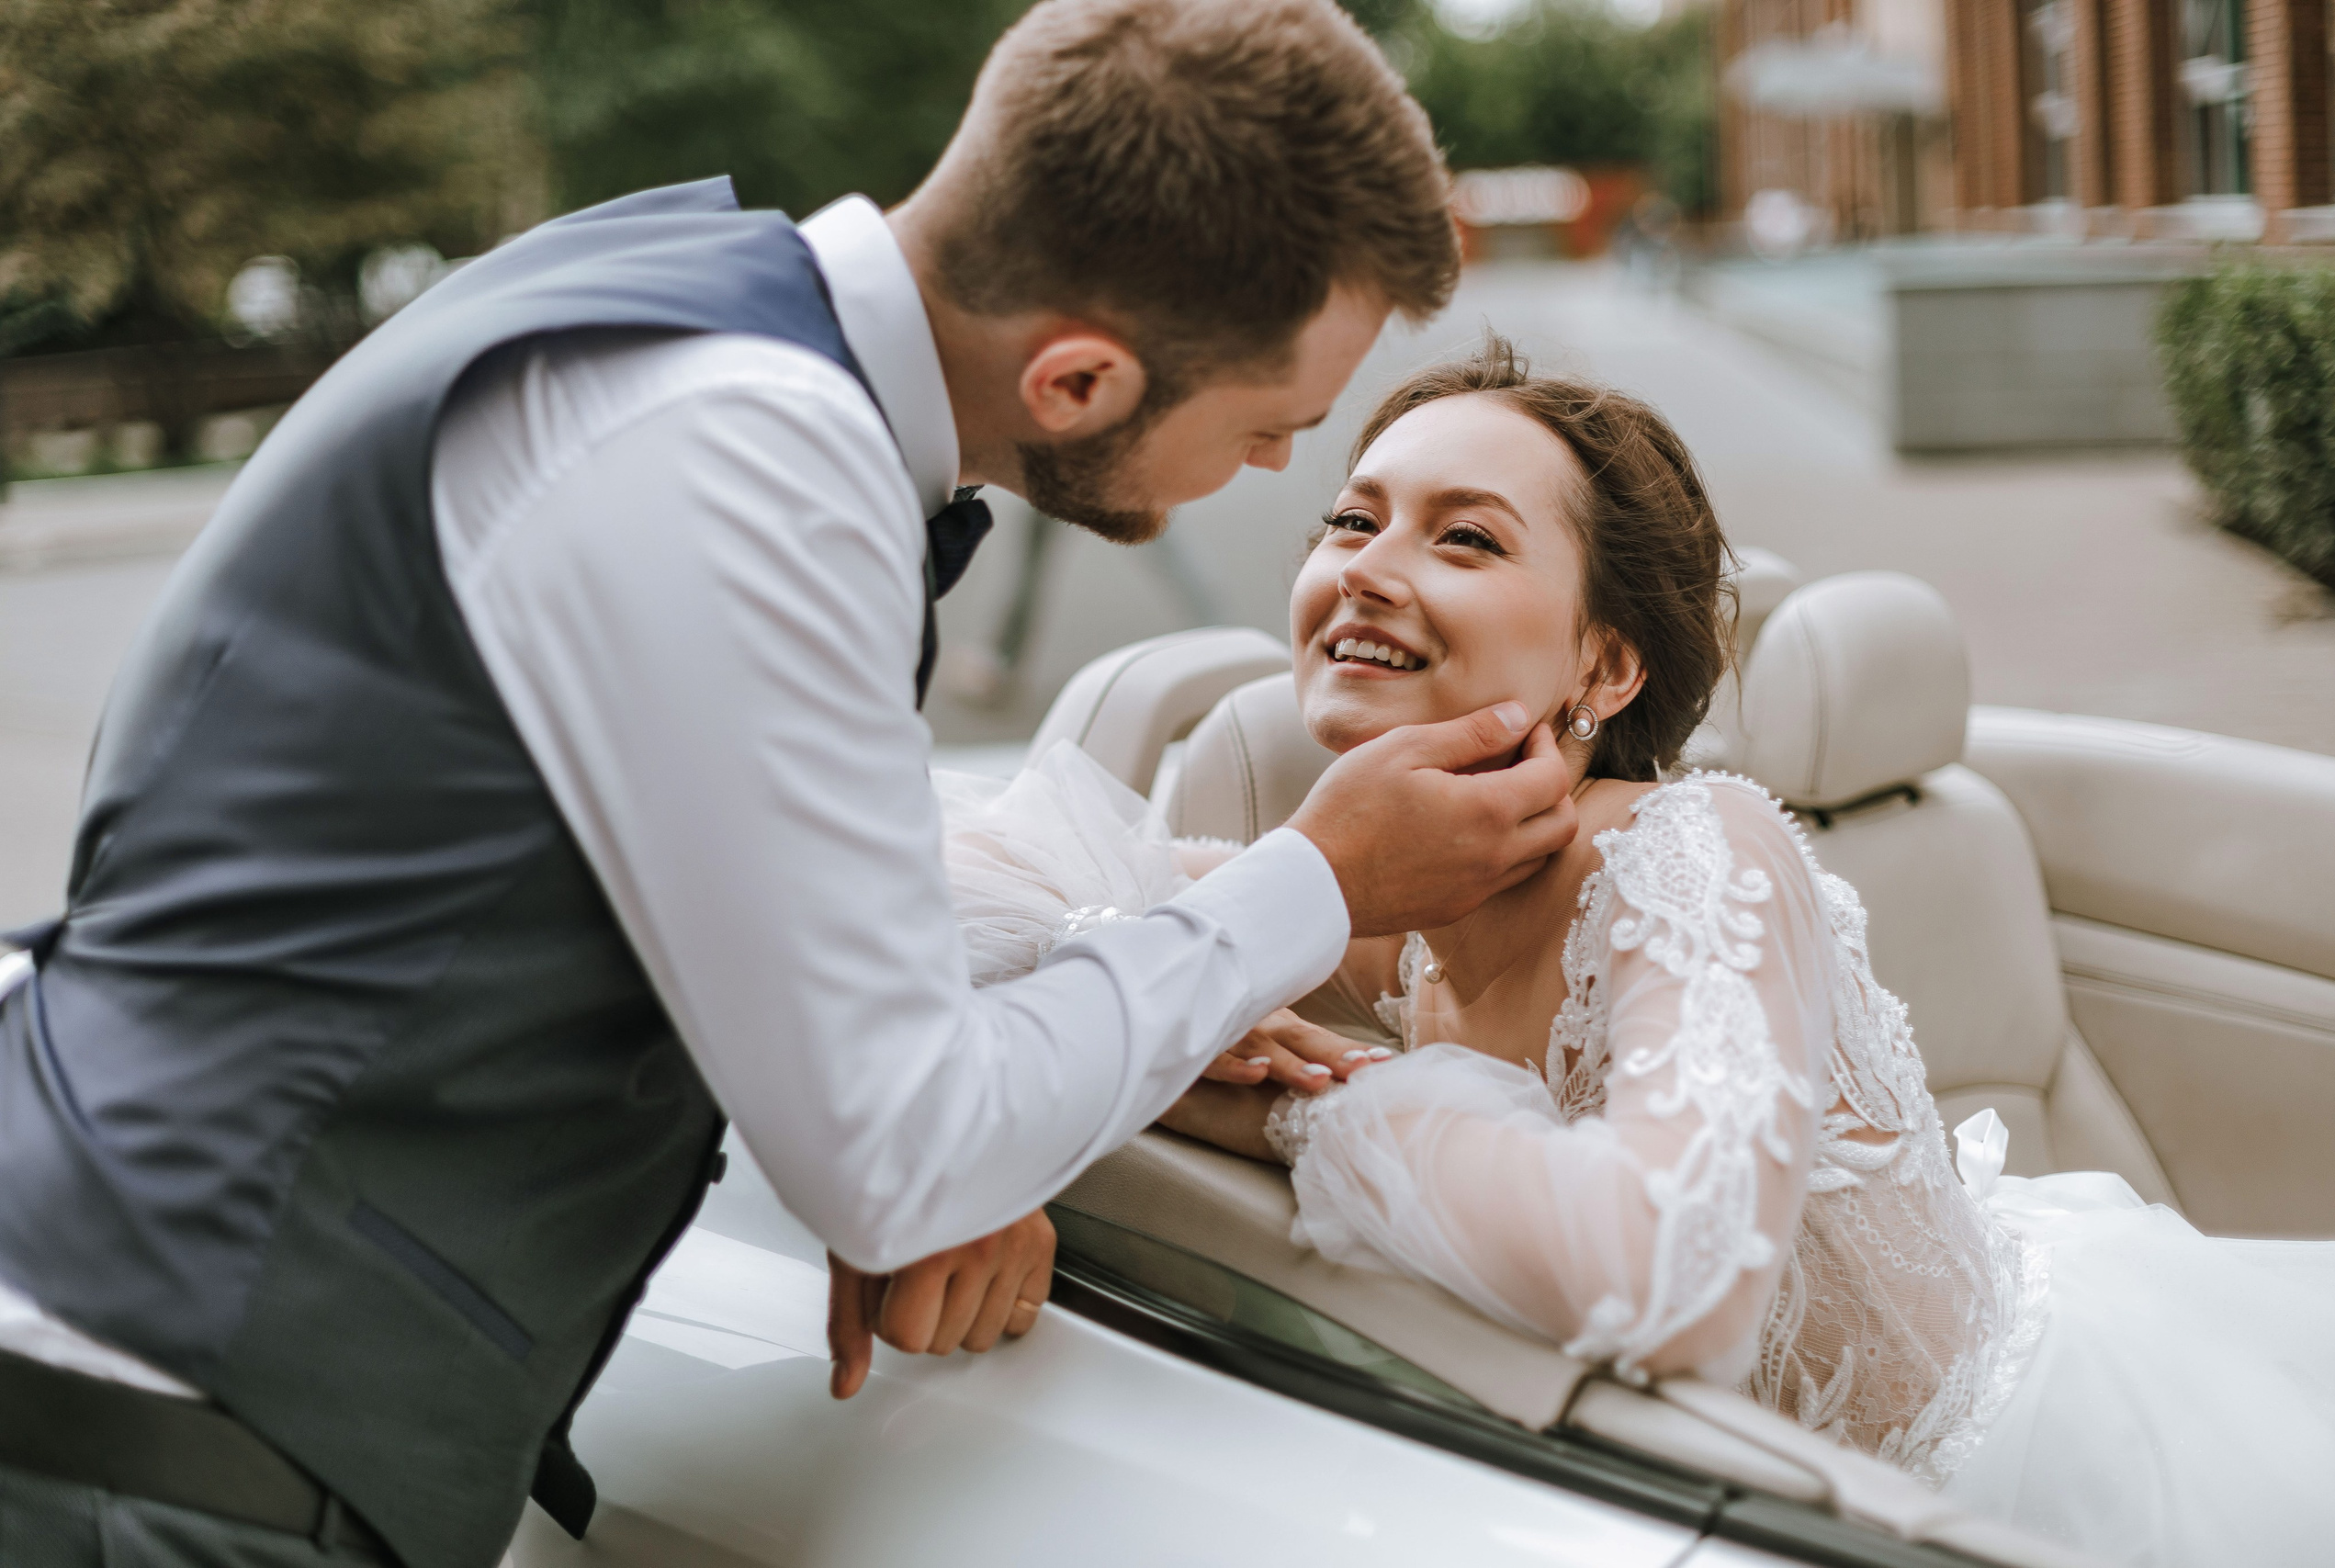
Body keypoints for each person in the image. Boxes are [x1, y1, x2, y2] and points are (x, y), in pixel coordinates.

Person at [0, 6, 1592, 1566]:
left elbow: (797, 964)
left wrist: (970, 1100)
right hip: (159, 1439)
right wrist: (1315, 882)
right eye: (1271, 426)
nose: (1266, 476)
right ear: (1079, 383)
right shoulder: (753, 455)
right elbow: (895, 1148)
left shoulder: (668, 306)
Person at [934, 337, 2335, 1568]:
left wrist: (1267, 1102)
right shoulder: (1386, 889)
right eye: (1348, 522)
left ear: (1604, 671)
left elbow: (1668, 1281)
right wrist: (1157, 988)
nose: (1366, 569)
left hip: (1996, 1486)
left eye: (1466, 538)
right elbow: (961, 889)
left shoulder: (1694, 849)